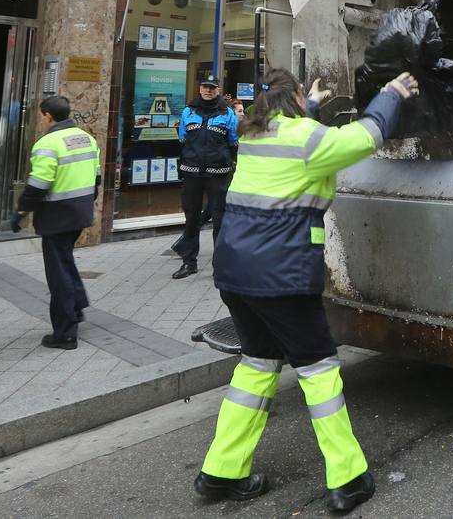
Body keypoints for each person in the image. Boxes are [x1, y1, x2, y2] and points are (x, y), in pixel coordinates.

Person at [196, 67, 418, 513]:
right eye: (302, 97)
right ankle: (347, 477)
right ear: (295, 99)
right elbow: (367, 135)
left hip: (235, 274)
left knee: (256, 366)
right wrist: (393, 94)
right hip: (282, 278)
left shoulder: (255, 135)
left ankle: (222, 471)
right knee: (319, 372)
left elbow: (294, 129)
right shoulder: (309, 140)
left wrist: (310, 103)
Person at [9, 95, 100, 349]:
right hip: (80, 213)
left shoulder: (47, 143)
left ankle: (65, 332)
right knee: (65, 259)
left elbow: (38, 185)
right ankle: (78, 305)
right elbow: (97, 178)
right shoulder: (87, 138)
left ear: (47, 116)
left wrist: (20, 213)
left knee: (57, 272)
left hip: (57, 215)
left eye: (42, 116)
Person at [171, 75, 239, 279]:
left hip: (217, 174)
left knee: (220, 219)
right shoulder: (187, 111)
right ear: (199, 88)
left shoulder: (227, 113)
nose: (208, 91)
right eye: (204, 87)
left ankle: (221, 266)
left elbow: (233, 142)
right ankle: (188, 262)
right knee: (191, 218)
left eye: (212, 88)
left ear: (218, 90)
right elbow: (183, 138)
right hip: (191, 173)